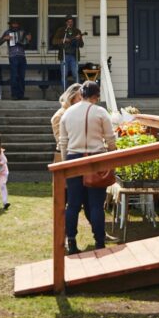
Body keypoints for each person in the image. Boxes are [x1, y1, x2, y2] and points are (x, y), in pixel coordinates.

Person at [56, 80, 115, 254]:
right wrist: (112, 158)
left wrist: (66, 162)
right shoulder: (100, 112)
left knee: (73, 204)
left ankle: (71, 241)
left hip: (74, 158)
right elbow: (110, 140)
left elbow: (63, 142)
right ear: (96, 96)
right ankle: (99, 242)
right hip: (96, 158)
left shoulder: (67, 113)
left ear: (81, 94)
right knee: (96, 204)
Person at [0, 19, 33, 100]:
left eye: (16, 24)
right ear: (11, 25)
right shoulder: (7, 32)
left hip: (22, 56)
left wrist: (29, 40)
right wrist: (5, 38)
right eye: (14, 24)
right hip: (13, 56)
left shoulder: (23, 32)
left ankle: (21, 95)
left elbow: (27, 46)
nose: (15, 25)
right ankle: (14, 95)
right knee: (14, 76)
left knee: (22, 76)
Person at [51, 83, 83, 164]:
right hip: (65, 155)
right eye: (80, 99)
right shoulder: (59, 116)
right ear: (71, 98)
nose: (83, 102)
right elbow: (60, 140)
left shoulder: (80, 112)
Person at [51, 16, 84, 89]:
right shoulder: (61, 30)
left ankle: (77, 92)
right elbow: (54, 41)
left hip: (73, 55)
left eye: (72, 22)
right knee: (64, 75)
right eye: (69, 22)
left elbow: (81, 45)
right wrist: (63, 39)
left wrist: (79, 39)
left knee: (75, 74)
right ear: (66, 22)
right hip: (64, 55)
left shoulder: (77, 31)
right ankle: (65, 93)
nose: (70, 23)